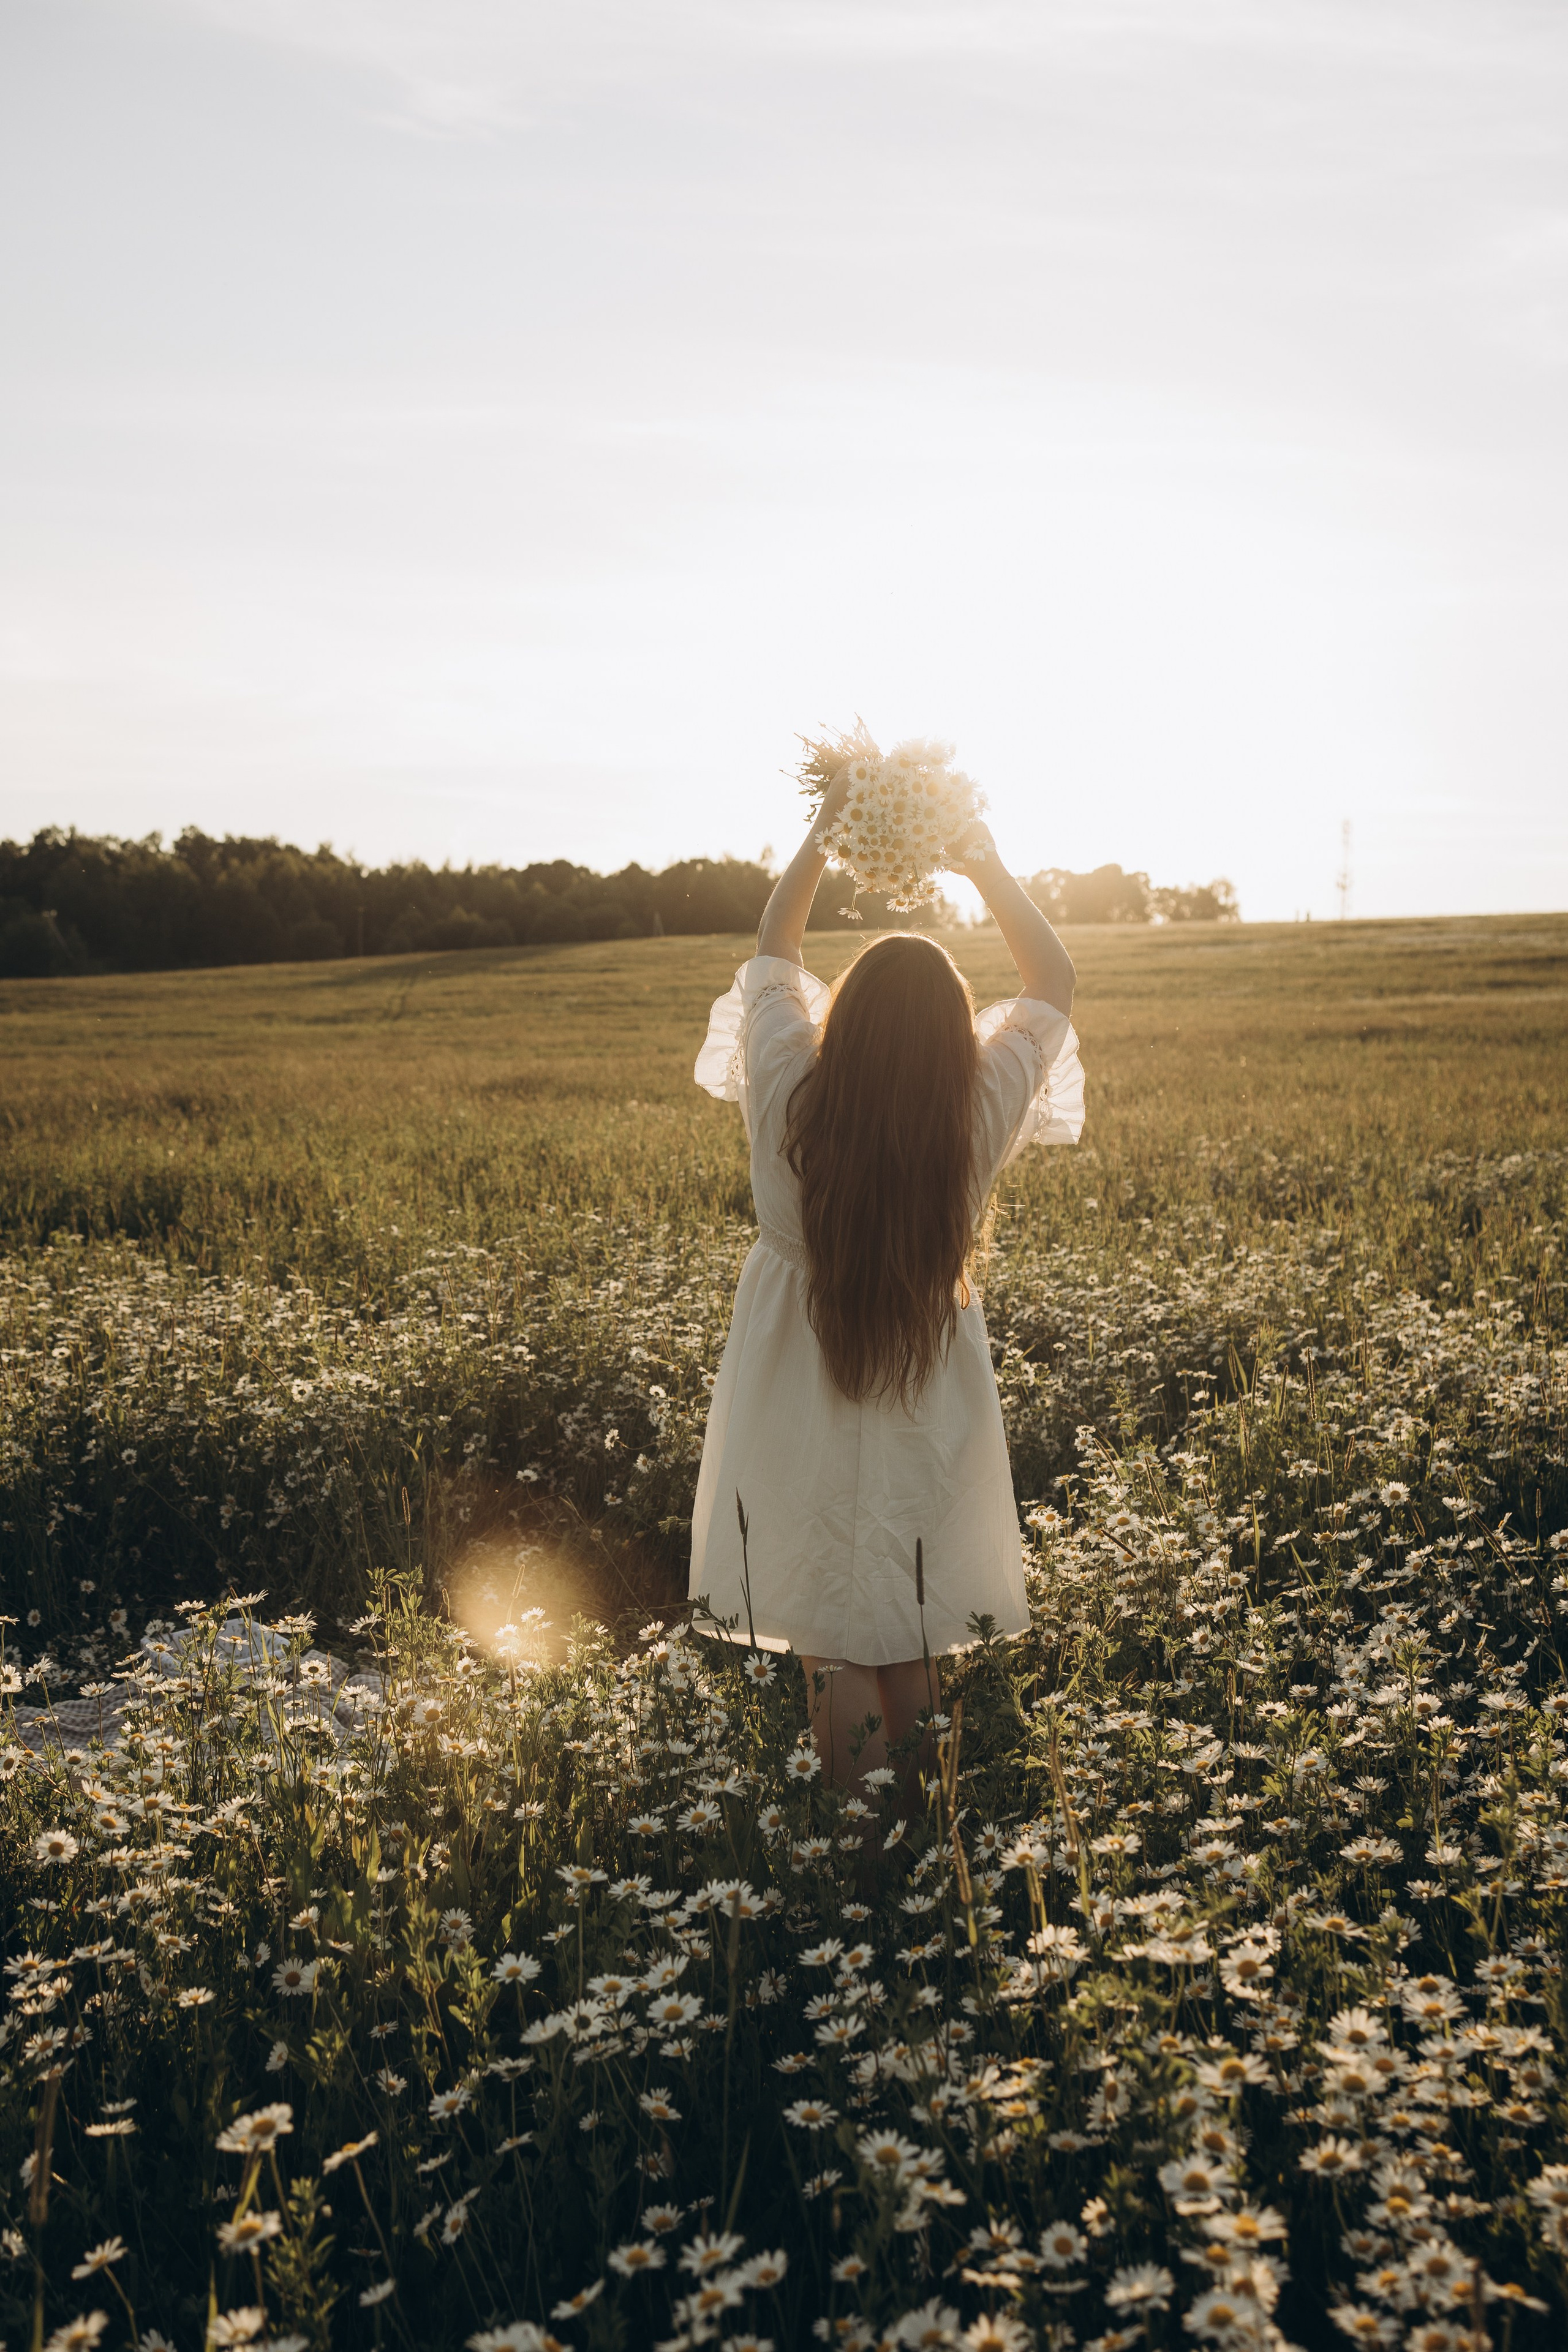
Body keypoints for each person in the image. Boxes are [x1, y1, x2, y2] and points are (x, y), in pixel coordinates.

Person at [690, 766, 1084, 1790]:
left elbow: (773, 956)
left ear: (846, 1017)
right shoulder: (973, 1112)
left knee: (829, 1633)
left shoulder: (785, 1083)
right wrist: (982, 858)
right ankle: (916, 1850)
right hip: (923, 1380)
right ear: (955, 1034)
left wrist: (829, 834)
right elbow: (1050, 986)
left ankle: (860, 1864)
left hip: (791, 1377)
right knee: (906, 1627)